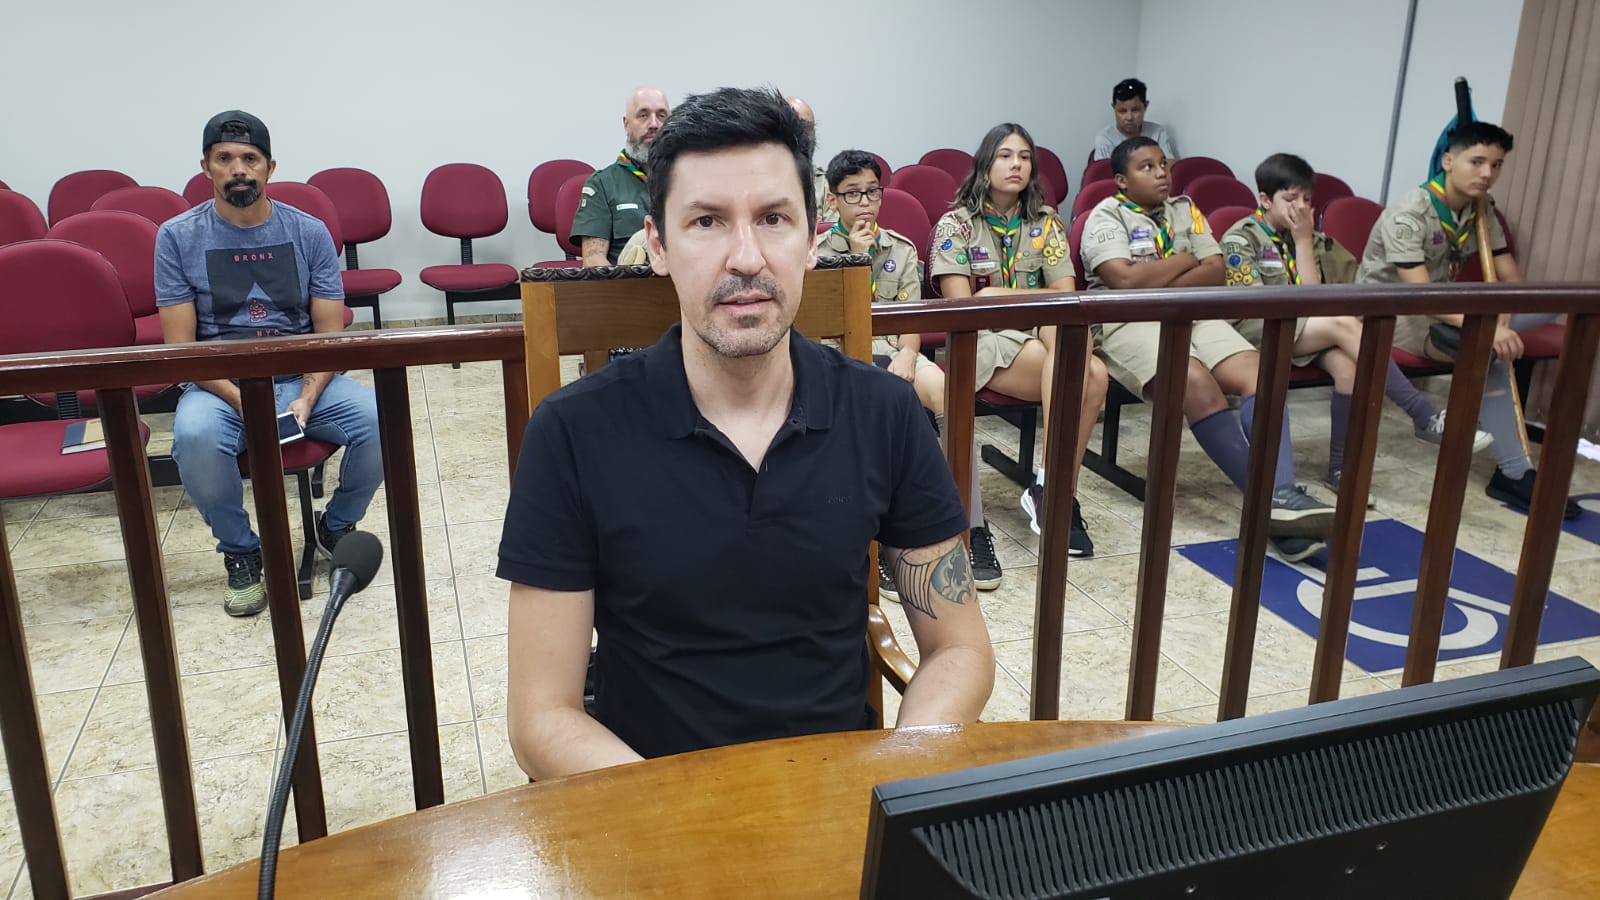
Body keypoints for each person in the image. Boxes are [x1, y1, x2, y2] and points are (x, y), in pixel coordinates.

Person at [499, 87, 995, 780]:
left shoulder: (883, 411)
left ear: (813, 239)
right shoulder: (572, 432)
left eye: (773, 219)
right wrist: (685, 822)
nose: (746, 257)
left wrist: (895, 775)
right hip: (649, 798)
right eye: (706, 221)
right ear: (658, 246)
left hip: (838, 791)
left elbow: (960, 650)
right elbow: (541, 716)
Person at [155, 110, 382, 616]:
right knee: (193, 437)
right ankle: (241, 552)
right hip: (219, 385)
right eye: (224, 158)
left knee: (379, 419)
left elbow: (329, 337)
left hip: (301, 378)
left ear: (269, 167)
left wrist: (307, 396)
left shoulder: (309, 232)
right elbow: (182, 349)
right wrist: (243, 401)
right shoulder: (176, 237)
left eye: (250, 158)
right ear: (206, 167)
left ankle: (336, 526)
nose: (238, 169)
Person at [1081, 137, 1334, 560]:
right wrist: (1184, 261)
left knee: (1262, 373)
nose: (1161, 173)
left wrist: (1159, 275)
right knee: (1193, 379)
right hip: (1130, 319)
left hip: (1195, 313)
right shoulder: (1105, 216)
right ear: (1122, 180)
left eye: (1163, 164)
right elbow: (1124, 282)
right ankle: (1274, 503)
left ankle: (1281, 497)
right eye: (1147, 167)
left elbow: (1216, 272)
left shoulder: (1186, 210)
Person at [1221, 153, 1492, 499]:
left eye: (1307, 199)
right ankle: (1423, 414)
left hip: (1303, 328)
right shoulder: (1241, 238)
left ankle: (1339, 469)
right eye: (1291, 199)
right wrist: (1302, 243)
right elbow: (1260, 305)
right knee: (1343, 325)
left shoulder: (1309, 238)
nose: (1301, 208)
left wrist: (1303, 241)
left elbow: (1312, 298)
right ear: (1265, 199)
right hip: (1256, 329)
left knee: (1349, 368)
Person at [1355, 121, 1580, 519]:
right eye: (1477, 162)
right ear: (1448, 161)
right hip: (1393, 312)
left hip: (1445, 306)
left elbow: (1510, 277)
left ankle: (1508, 450)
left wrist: (1503, 316)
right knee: (1486, 351)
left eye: (1496, 165)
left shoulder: (1481, 208)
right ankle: (1514, 472)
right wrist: (1488, 329)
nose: (1487, 173)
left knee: (1552, 304)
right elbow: (1420, 297)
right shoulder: (1410, 212)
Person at [813, 149, 1002, 592]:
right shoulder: (816, 256)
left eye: (872, 192)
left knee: (947, 392)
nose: (865, 202)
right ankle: (877, 540)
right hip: (839, 358)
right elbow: (824, 330)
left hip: (895, 352)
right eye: (852, 194)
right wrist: (856, 258)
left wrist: (908, 353)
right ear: (833, 200)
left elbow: (912, 320)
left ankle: (972, 525)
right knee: (869, 399)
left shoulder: (901, 247)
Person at [930, 123, 1110, 557]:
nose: (1017, 165)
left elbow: (1065, 295)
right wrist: (1009, 300)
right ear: (984, 164)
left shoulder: (1045, 223)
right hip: (982, 341)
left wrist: (996, 293)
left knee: (1084, 359)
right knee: (1092, 375)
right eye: (1006, 155)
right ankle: (1057, 493)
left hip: (1039, 333)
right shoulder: (956, 225)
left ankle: (1050, 485)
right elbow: (965, 308)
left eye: (1025, 157)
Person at [573, 86, 670, 266]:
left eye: (661, 116)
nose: (654, 124)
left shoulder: (687, 180)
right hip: (627, 280)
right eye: (643, 115)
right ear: (626, 124)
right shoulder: (602, 184)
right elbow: (594, 261)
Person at [1091, 78, 1178, 162]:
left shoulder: (1157, 132)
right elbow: (1104, 170)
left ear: (1145, 106)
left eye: (1135, 110)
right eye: (1122, 111)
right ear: (1114, 108)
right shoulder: (1106, 138)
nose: (1129, 117)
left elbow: (1170, 164)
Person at [786, 96, 838, 228]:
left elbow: (835, 231)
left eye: (808, 128)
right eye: (797, 127)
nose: (803, 135)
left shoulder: (826, 183)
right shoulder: (756, 178)